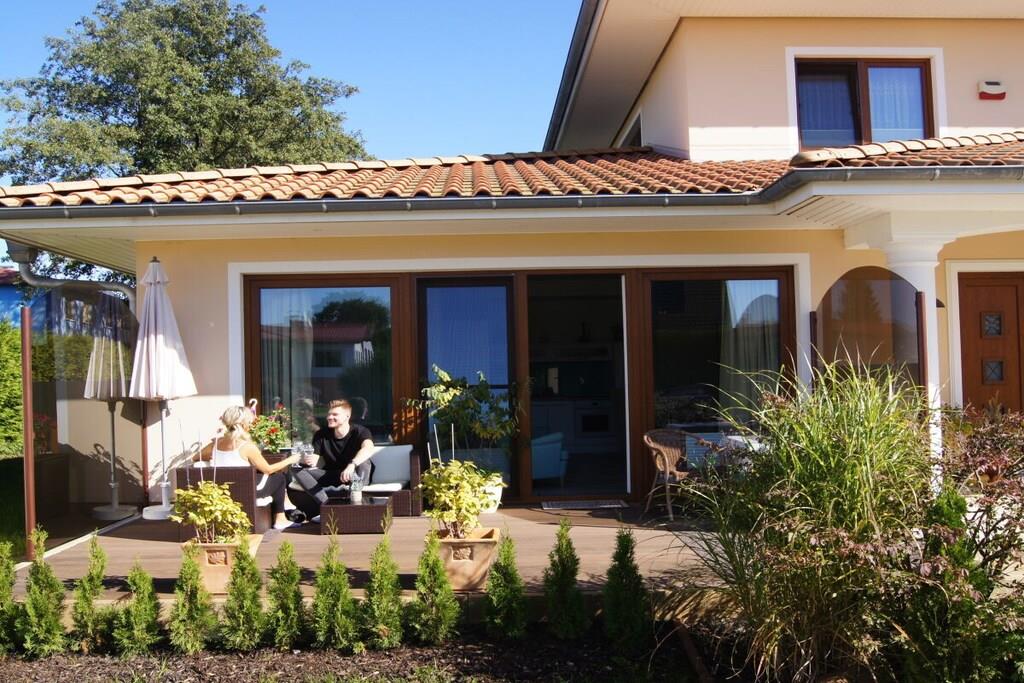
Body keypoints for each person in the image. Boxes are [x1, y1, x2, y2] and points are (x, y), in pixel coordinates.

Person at [195, 405, 300, 530]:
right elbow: (268, 469)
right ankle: (280, 518)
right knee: (279, 478)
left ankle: (286, 504)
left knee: (264, 476)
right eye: (250, 422)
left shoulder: (215, 444)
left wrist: (216, 457)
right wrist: (290, 460)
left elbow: (195, 457)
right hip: (246, 491)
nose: (251, 425)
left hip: (223, 491)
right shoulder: (247, 447)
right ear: (244, 424)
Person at [288, 399, 376, 522]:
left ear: (347, 416)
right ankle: (326, 506)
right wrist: (306, 459)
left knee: (364, 462)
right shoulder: (321, 434)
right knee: (295, 468)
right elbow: (315, 460)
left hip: (355, 475)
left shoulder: (360, 431)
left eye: (335, 414)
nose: (329, 417)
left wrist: (351, 465)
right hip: (332, 474)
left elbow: (369, 448)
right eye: (329, 414)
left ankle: (355, 504)